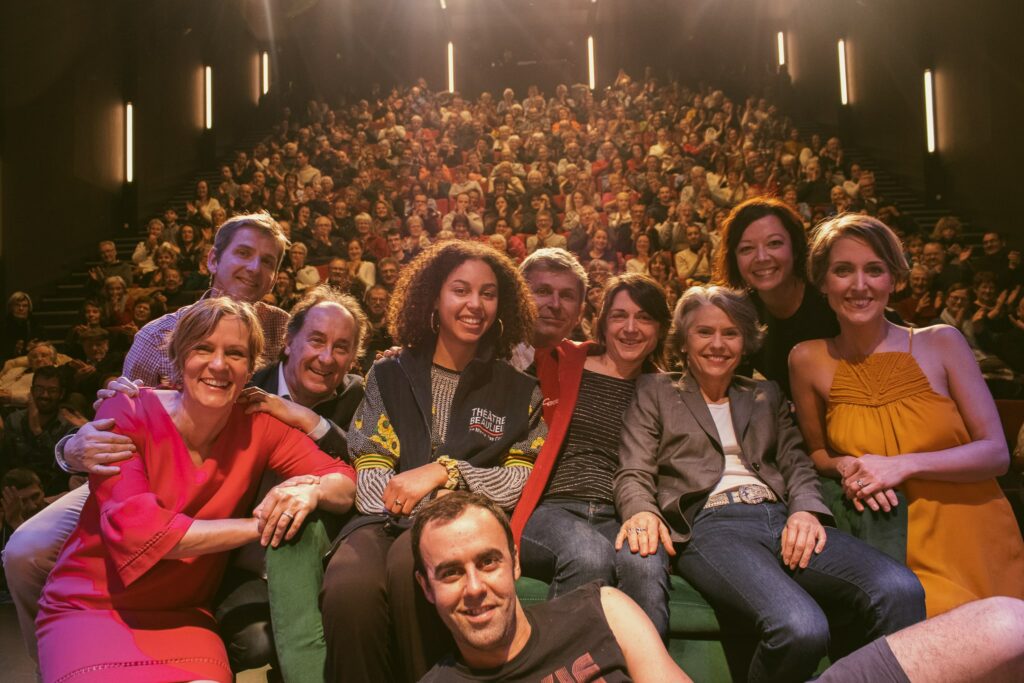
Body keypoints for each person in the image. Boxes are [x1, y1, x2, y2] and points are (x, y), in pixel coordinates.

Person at [3, 213, 291, 661]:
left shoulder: (285, 332)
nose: (255, 268)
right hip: (147, 483)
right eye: (244, 253)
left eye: (268, 261)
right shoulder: (157, 335)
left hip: (232, 482)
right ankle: (62, 664)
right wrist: (69, 450)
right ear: (212, 259)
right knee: (24, 551)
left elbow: (331, 361)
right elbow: (111, 422)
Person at [35, 297, 356, 683]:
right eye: (203, 348)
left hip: (184, 614)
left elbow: (344, 481)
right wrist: (264, 524)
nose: (218, 365)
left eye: (235, 353)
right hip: (93, 605)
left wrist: (313, 492)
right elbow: (145, 533)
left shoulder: (258, 425)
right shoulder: (127, 410)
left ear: (251, 367)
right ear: (178, 356)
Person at [616, 285, 925, 683]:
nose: (717, 344)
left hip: (781, 519)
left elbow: (797, 464)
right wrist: (640, 509)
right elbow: (634, 468)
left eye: (730, 333)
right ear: (684, 341)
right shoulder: (655, 391)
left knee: (900, 588)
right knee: (800, 627)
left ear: (746, 342)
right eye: (704, 332)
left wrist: (807, 512)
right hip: (712, 527)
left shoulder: (765, 394)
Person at [320, 240, 547, 683]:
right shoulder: (388, 374)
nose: (474, 304)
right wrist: (420, 504)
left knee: (413, 569)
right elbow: (371, 477)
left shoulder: (520, 390)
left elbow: (522, 477)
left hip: (465, 528)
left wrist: (450, 472)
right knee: (349, 588)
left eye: (487, 293)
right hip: (381, 521)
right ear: (435, 298)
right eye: (460, 290)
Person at [789, 213, 1024, 617]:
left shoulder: (942, 342)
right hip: (887, 541)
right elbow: (817, 454)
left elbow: (996, 453)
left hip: (972, 533)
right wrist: (847, 465)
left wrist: (899, 466)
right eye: (843, 270)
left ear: (894, 279)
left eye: (874, 270)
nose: (859, 285)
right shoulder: (807, 359)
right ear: (823, 282)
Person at [514, 274, 673, 638]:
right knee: (589, 555)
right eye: (619, 316)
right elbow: (495, 366)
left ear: (661, 329)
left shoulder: (666, 391)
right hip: (552, 509)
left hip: (621, 515)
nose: (630, 328)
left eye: (644, 317)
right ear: (603, 323)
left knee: (646, 564)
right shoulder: (561, 360)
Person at [414, 492, 691, 683]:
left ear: (515, 564)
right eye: (451, 573)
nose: (474, 588)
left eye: (488, 562)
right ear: (426, 587)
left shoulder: (607, 610)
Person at [715, 197, 838, 397]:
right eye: (747, 248)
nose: (762, 257)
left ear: (796, 248)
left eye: (774, 243)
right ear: (734, 258)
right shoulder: (741, 314)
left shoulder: (830, 297)